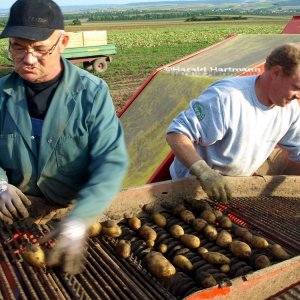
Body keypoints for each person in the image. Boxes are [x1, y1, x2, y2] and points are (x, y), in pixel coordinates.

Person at [0, 0, 128, 274]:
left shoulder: (92, 93)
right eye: (18, 47)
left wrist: (80, 220)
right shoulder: (1, 94)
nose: (28, 59)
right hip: (14, 215)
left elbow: (110, 162)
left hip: (70, 213)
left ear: (63, 42)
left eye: (40, 49)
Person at [166, 43, 300, 203]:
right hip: (193, 189)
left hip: (233, 190)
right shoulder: (226, 98)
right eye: (297, 87)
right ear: (276, 73)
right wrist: (204, 172)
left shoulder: (290, 109)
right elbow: (176, 134)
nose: (298, 96)